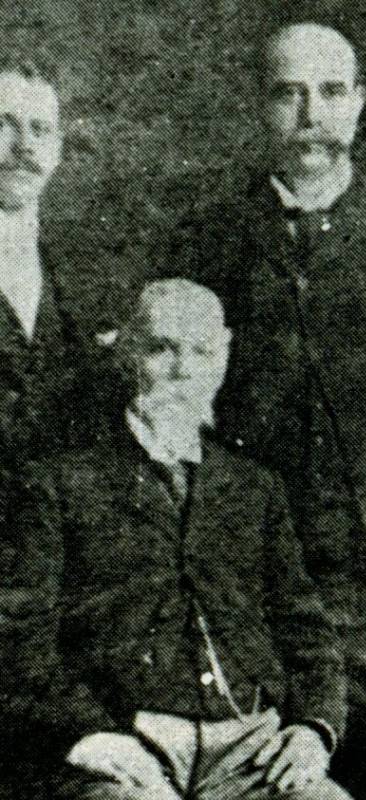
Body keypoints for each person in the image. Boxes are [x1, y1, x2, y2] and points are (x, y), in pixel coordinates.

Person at [168, 22, 366, 799]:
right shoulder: (213, 236)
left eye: (330, 92)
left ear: (359, 104)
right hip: (257, 557)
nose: (311, 114)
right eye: (288, 94)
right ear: (260, 107)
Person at [11, 279, 349, 800]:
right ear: (128, 354)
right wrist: (86, 734)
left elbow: (305, 629)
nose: (182, 369)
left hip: (251, 750)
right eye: (162, 349)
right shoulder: (58, 484)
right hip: (126, 749)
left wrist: (314, 729)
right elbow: (17, 638)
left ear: (223, 361)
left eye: (201, 352)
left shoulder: (254, 487)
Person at [0, 53, 122, 800]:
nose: (22, 146)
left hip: (68, 585)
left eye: (39, 129)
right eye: (3, 124)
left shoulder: (86, 270)